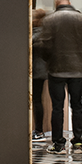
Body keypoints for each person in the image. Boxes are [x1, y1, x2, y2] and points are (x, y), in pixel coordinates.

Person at [42, 0, 82, 153]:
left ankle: (58, 143)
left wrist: (49, 61)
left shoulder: (49, 20)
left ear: (56, 2)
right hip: (77, 71)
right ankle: (78, 141)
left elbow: (45, 45)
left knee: (57, 108)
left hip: (56, 70)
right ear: (69, 1)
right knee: (77, 106)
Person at [31, 8, 49, 140]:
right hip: (44, 71)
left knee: (37, 100)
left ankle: (39, 130)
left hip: (36, 72)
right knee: (38, 100)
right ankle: (39, 130)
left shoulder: (35, 35)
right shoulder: (47, 33)